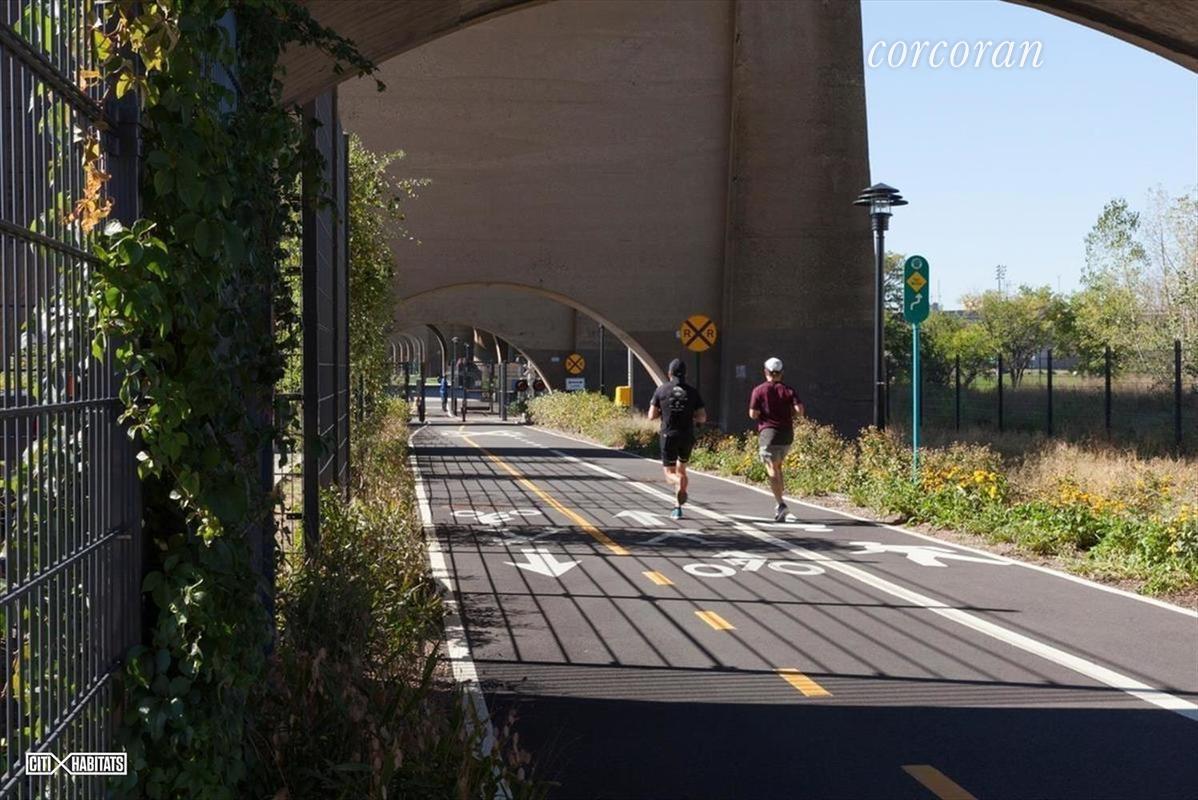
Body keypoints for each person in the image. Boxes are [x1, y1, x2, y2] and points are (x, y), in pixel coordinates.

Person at [748, 357, 805, 522]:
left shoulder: (759, 390)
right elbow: (800, 411)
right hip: (787, 435)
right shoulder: (789, 390)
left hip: (769, 434)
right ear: (782, 373)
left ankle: (781, 504)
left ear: (765, 372)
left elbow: (753, 414)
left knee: (771, 468)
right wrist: (788, 412)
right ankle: (780, 501)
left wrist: (765, 413)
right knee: (778, 467)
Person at [649, 358, 706, 519]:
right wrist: (690, 415)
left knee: (670, 474)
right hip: (687, 435)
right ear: (685, 374)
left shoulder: (661, 390)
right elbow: (702, 417)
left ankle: (678, 483)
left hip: (668, 435)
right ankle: (677, 507)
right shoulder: (693, 392)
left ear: (669, 373)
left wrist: (664, 412)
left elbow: (651, 415)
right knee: (682, 470)